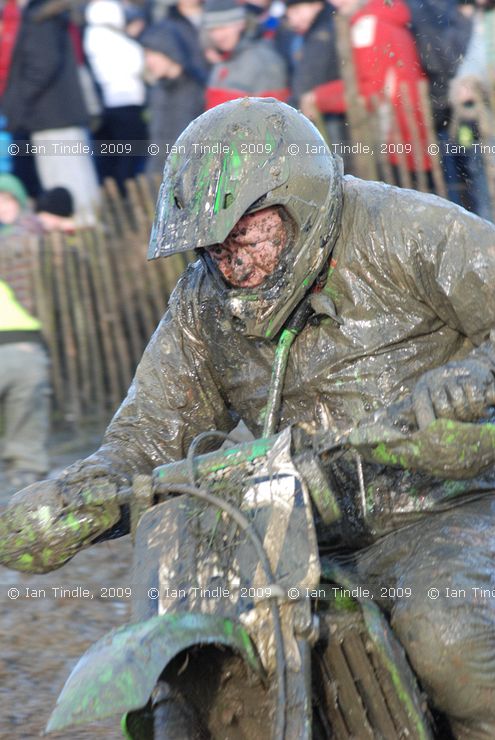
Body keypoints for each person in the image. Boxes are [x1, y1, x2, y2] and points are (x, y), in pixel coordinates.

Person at [1, 98, 495, 737]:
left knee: (448, 641)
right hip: (284, 528)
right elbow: (147, 435)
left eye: (241, 237)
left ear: (297, 204)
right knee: (191, 682)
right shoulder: (204, 301)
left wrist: (471, 379)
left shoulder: (405, 228)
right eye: (211, 247)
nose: (229, 264)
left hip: (444, 505)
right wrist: (77, 495)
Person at [0, 173, 50, 495]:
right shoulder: (36, 237)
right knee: (26, 445)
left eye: (7, 201)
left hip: (20, 344)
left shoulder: (25, 237)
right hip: (29, 346)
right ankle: (26, 486)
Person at [84, 0, 148, 190]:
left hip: (103, 109)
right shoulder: (117, 40)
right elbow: (138, 64)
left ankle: (112, 195)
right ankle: (126, 194)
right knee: (130, 159)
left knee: (108, 160)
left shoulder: (89, 37)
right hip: (126, 105)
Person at [139, 19, 206, 176]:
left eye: (153, 54)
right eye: (146, 55)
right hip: (160, 176)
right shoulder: (157, 91)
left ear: (169, 51)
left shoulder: (197, 89)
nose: (148, 61)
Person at [202, 0, 289, 108]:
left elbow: (275, 115)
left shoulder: (264, 60)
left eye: (222, 28)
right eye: (212, 30)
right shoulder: (222, 59)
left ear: (240, 24)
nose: (218, 36)